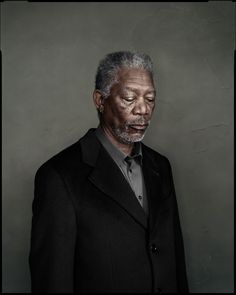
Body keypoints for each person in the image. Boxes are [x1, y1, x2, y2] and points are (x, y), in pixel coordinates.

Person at [29, 51, 189, 293]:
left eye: (150, 98)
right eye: (129, 98)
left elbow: (174, 262)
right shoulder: (58, 177)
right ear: (100, 100)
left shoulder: (161, 167)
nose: (143, 110)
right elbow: (52, 283)